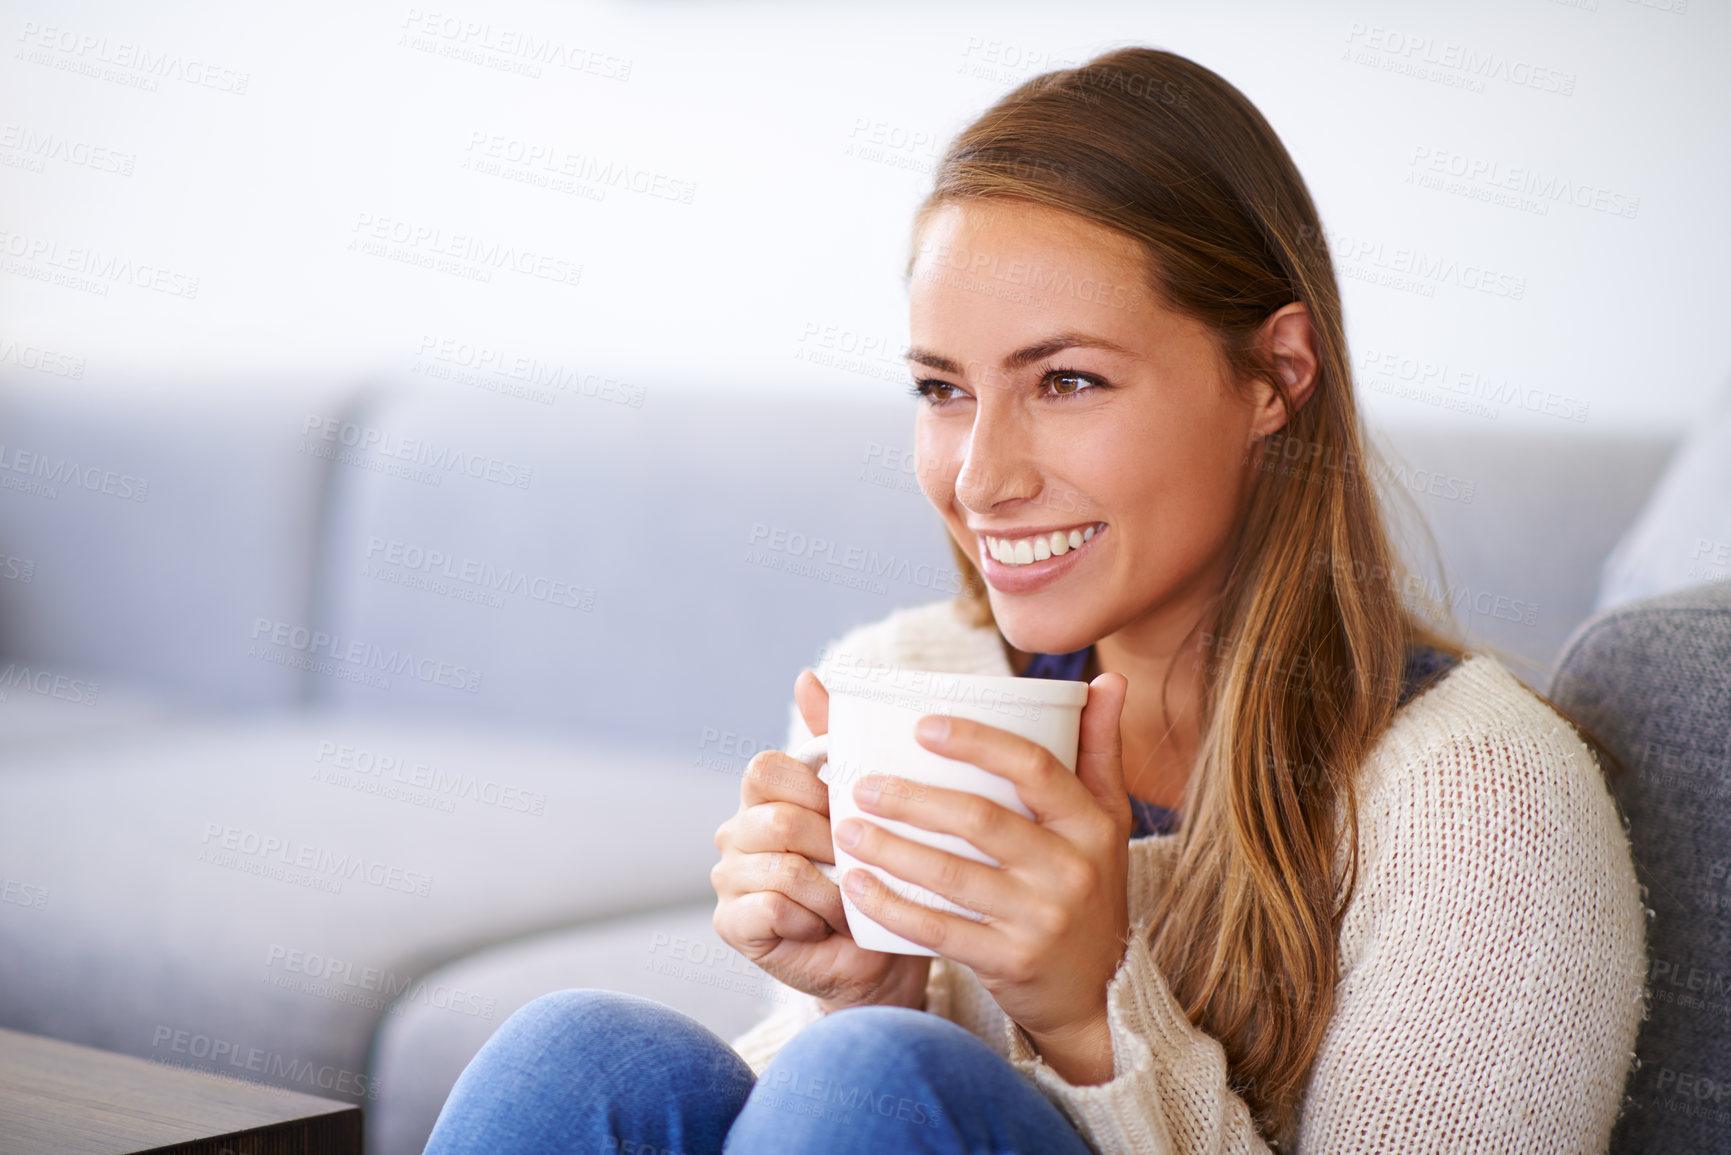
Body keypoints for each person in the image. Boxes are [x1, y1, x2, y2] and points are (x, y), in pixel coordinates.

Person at [424, 47, 1648, 1154]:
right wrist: (859, 993)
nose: (980, 476)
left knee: (875, 1082)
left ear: (1277, 375)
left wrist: (1090, 1016)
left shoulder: (1482, 801)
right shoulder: (907, 678)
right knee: (583, 1056)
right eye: (942, 388)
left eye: (1065, 380)